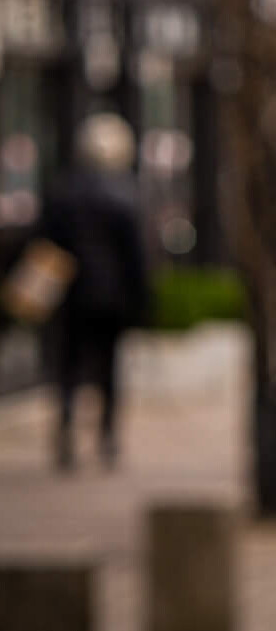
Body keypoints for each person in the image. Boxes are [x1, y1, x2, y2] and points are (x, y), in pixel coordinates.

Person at [41, 112, 150, 470]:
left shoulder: (63, 191)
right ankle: (106, 435)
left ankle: (67, 426)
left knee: (69, 364)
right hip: (110, 295)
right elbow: (136, 255)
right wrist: (143, 300)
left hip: (70, 293)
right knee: (108, 366)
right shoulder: (123, 194)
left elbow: (43, 243)